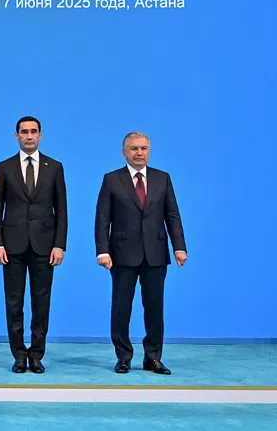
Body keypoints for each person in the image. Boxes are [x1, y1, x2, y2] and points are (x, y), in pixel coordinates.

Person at [94, 131, 187, 375]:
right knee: (121, 308)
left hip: (156, 254)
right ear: (124, 152)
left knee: (155, 309)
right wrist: (102, 251)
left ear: (149, 151)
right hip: (122, 254)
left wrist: (179, 247)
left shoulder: (162, 178)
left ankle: (153, 358)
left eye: (143, 148)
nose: (139, 153)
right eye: (134, 148)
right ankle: (123, 357)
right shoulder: (112, 179)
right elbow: (103, 219)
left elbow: (172, 215)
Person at [0, 116, 67, 374]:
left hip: (45, 246)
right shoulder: (4, 167)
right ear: (16, 136)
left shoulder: (54, 167)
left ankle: (36, 354)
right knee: (14, 303)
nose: (29, 136)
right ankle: (19, 355)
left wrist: (59, 245)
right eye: (24, 132)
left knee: (41, 302)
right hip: (12, 246)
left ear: (41, 135)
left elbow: (62, 210)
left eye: (34, 131)